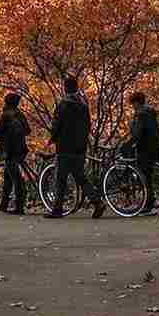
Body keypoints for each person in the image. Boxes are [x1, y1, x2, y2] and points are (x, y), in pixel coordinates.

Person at [47, 75, 105, 219]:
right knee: (80, 177)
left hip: (65, 146)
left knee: (61, 178)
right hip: (80, 146)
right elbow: (88, 125)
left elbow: (57, 124)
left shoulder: (63, 104)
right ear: (76, 87)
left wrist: (53, 138)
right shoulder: (83, 105)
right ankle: (97, 202)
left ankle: (57, 209)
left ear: (65, 88)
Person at [0, 92, 31, 214]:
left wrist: (4, 138)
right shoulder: (20, 114)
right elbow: (28, 130)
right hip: (21, 149)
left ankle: (19, 207)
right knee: (8, 176)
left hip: (9, 150)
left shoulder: (6, 115)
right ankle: (4, 203)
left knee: (16, 178)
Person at [127, 91, 159, 212]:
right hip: (153, 147)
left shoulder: (141, 114)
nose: (132, 106)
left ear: (137, 103)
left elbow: (138, 133)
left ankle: (147, 203)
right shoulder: (150, 112)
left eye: (133, 104)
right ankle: (150, 201)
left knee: (144, 177)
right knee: (148, 175)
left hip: (144, 149)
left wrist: (128, 144)